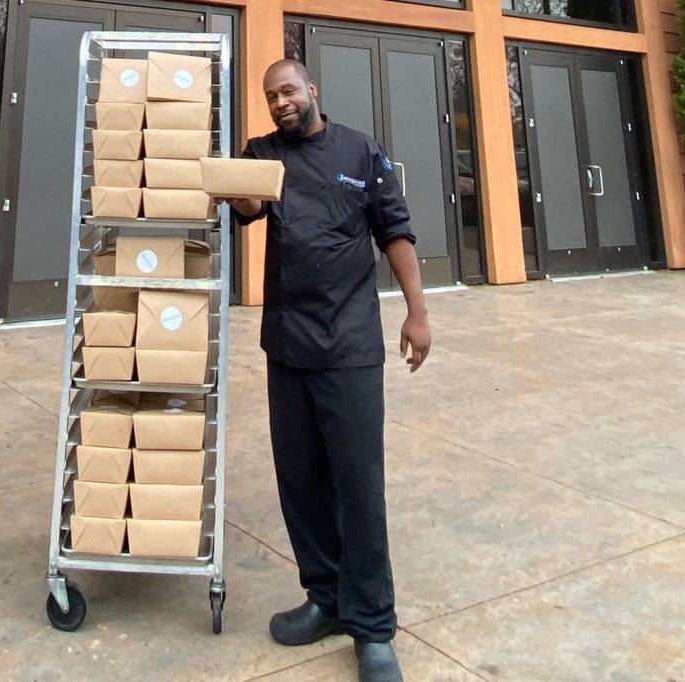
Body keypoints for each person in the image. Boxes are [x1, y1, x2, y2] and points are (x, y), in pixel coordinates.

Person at [223, 59, 431, 682]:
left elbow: (395, 231)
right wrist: (241, 198)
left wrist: (417, 314)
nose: (279, 103)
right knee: (301, 481)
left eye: (287, 91)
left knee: (359, 488)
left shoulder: (362, 151)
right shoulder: (261, 152)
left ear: (313, 89)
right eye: (269, 97)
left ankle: (372, 629)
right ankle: (326, 598)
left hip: (349, 347)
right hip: (287, 346)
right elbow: (246, 203)